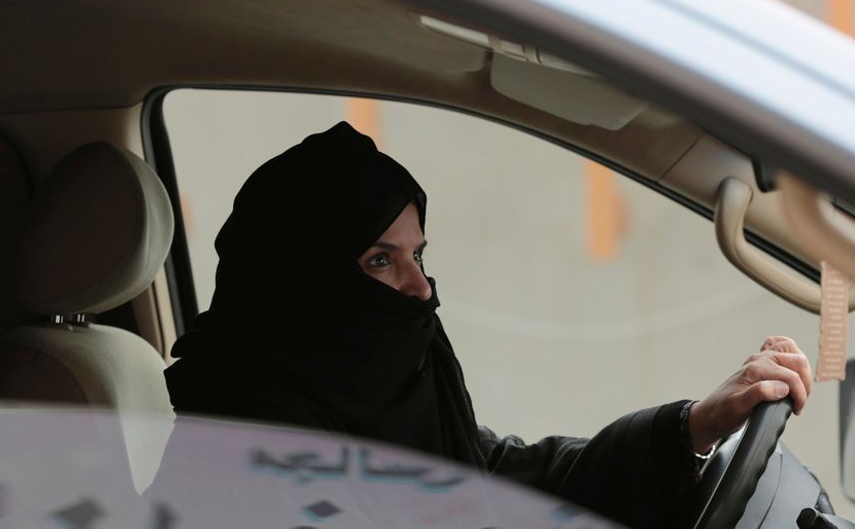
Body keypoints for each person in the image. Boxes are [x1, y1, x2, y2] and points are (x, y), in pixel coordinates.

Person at [164, 121, 813, 528]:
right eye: (379, 260)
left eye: (418, 255)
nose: (419, 288)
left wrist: (691, 426)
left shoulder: (390, 405)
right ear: (300, 281)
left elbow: (504, 479)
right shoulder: (229, 452)